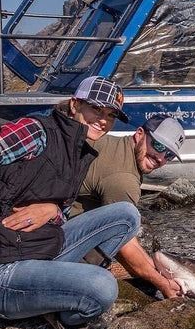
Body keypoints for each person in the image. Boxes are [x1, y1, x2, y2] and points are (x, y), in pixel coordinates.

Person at [0, 76, 175, 329]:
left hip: (34, 250)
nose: (103, 120)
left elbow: (61, 209)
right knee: (103, 287)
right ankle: (62, 312)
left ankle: (57, 289)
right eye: (96, 109)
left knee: (127, 215)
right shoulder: (34, 132)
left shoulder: (80, 151)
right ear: (75, 104)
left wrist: (52, 209)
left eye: (111, 115)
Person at [70, 116, 186, 295]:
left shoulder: (114, 144)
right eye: (158, 146)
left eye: (169, 155)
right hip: (53, 239)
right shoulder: (124, 179)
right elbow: (124, 243)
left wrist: (157, 270)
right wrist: (162, 283)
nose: (160, 158)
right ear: (139, 134)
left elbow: (126, 235)